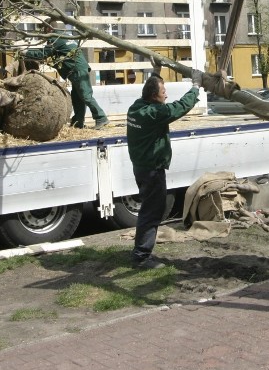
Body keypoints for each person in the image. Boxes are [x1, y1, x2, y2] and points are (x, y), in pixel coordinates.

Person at [127, 60, 203, 269]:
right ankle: (142, 256)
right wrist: (195, 86)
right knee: (152, 211)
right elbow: (180, 107)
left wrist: (156, 71)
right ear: (154, 96)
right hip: (151, 169)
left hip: (141, 167)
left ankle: (141, 251)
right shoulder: (154, 113)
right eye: (163, 91)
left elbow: (149, 88)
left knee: (149, 210)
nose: (166, 94)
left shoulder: (137, 106)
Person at [23, 18, 109, 129]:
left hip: (76, 69)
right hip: (77, 69)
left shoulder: (54, 38)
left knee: (86, 96)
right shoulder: (65, 36)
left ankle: (101, 118)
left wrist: (26, 52)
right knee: (77, 97)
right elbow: (59, 57)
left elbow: (43, 54)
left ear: (49, 28)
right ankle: (78, 122)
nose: (43, 33)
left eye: (44, 29)